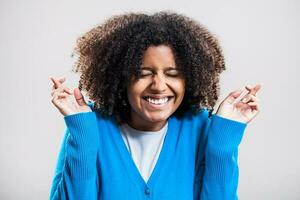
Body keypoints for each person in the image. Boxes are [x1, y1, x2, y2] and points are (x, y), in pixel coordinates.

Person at [49, 11, 261, 200]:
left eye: (173, 74)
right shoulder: (89, 128)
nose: (159, 86)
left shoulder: (199, 129)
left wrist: (223, 139)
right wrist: (82, 131)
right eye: (143, 74)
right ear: (121, 78)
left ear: (189, 80)